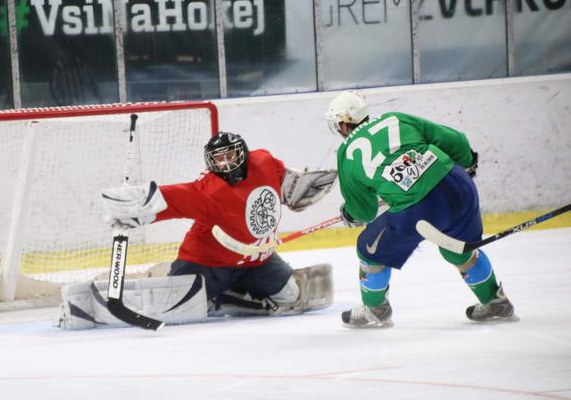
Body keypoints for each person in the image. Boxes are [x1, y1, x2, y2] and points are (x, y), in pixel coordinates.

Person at [325, 90, 516, 328]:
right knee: (457, 249)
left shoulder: (347, 153)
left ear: (343, 124)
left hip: (419, 208)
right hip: (458, 185)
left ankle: (375, 308)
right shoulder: (394, 118)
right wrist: (467, 160)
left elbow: (364, 211)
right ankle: (495, 301)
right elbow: (452, 139)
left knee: (368, 249)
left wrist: (349, 213)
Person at [100, 131, 337, 319]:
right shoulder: (210, 192)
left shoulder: (264, 161)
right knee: (180, 307)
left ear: (242, 152)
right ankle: (164, 275)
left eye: (230, 155)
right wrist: (135, 207)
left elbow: (287, 185)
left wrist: (302, 186)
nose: (225, 163)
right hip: (207, 263)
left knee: (290, 295)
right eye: (219, 159)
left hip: (257, 261)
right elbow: (172, 199)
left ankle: (224, 297)